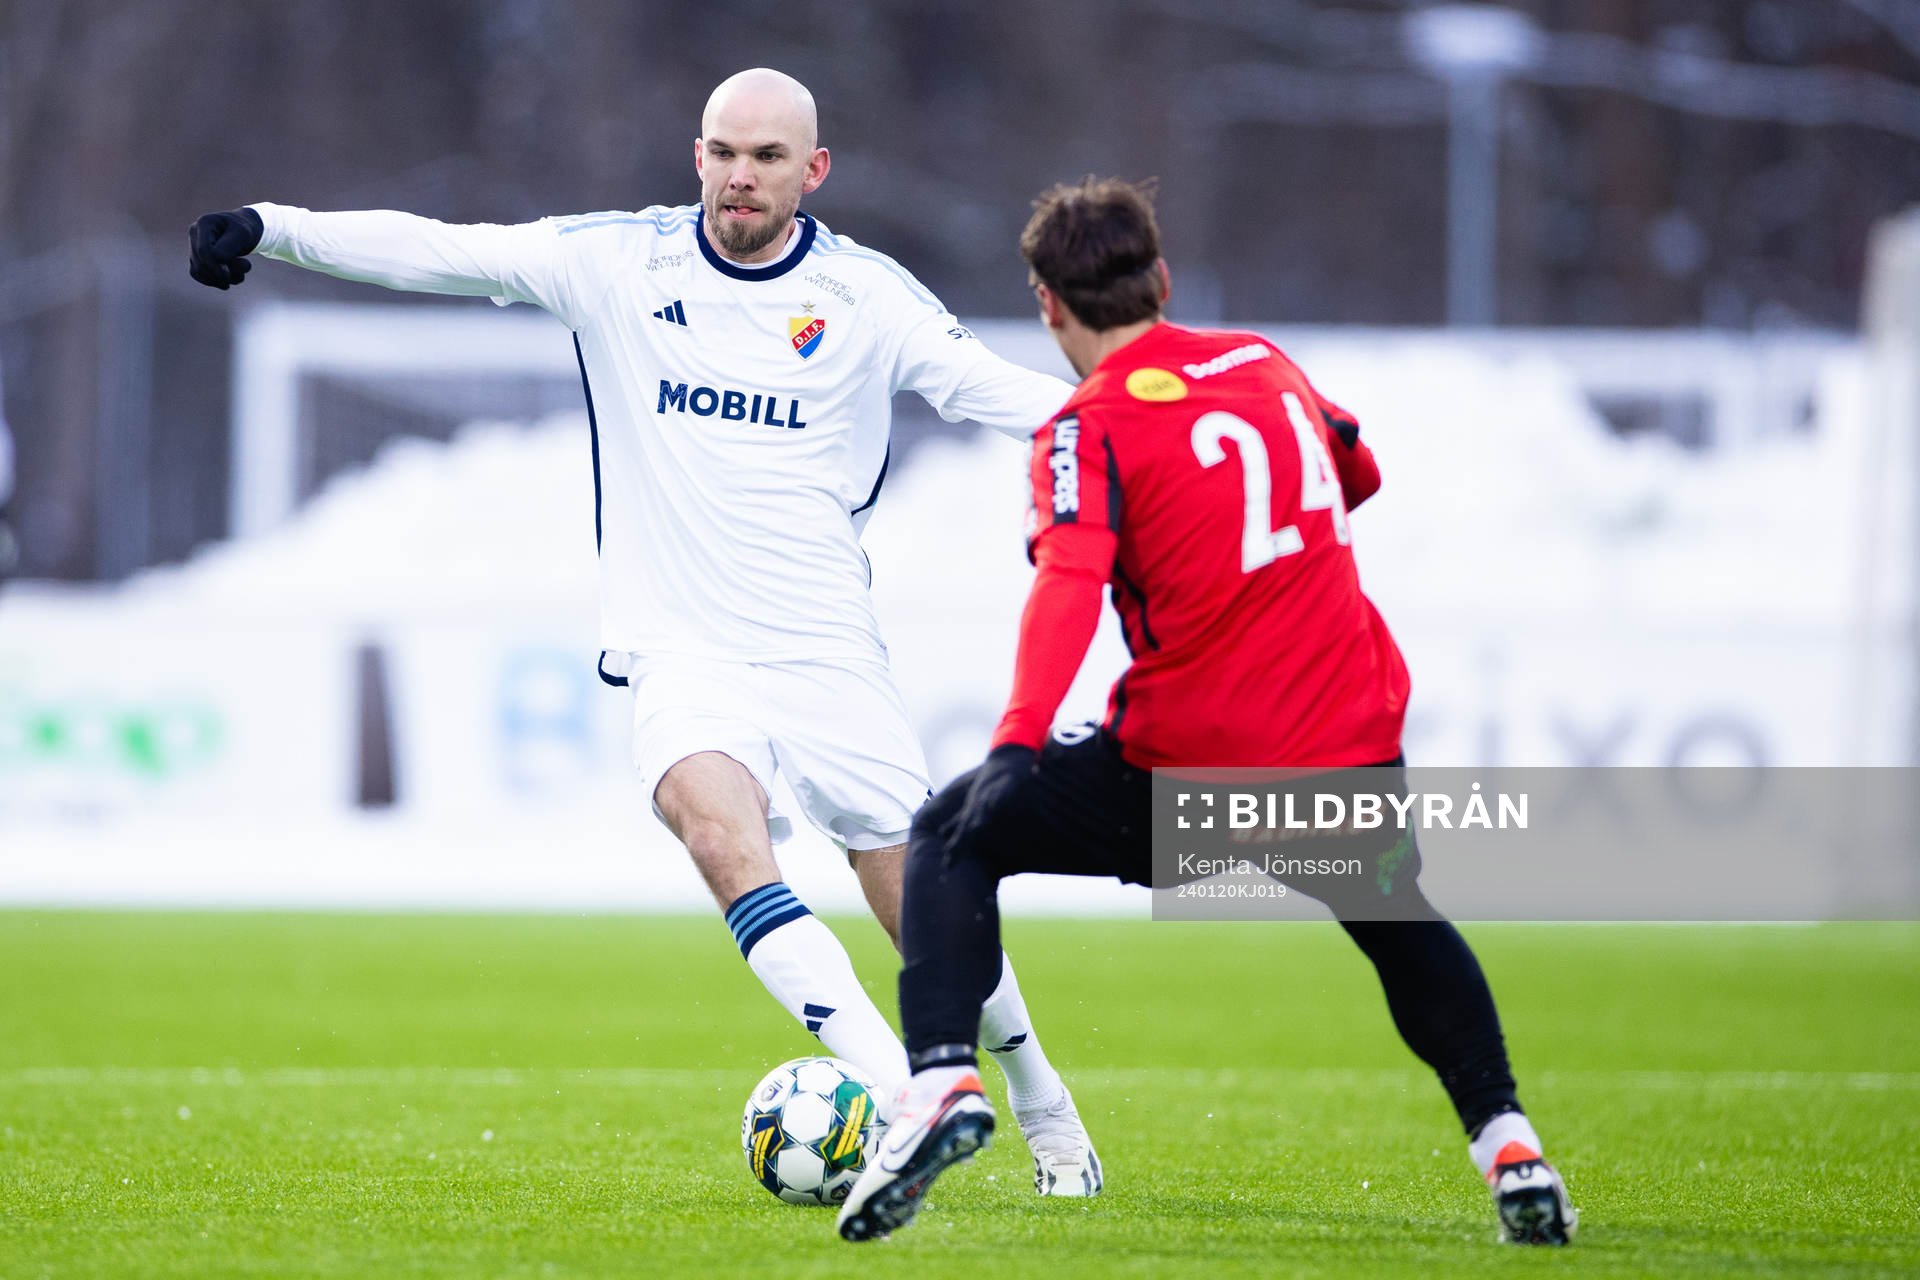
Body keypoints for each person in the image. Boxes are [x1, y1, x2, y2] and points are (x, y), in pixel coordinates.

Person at [186, 68, 1101, 1195]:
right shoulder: (620, 263)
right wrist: (276, 229)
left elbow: (997, 393)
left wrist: (1178, 416)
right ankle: (905, 1093)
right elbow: (441, 248)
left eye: (767, 156)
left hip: (823, 643)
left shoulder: (867, 297)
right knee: (720, 837)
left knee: (916, 894)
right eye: (722, 151)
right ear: (698, 155)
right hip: (680, 642)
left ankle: (1043, 1101)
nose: (739, 175)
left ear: (813, 171)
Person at [837, 177, 1575, 1243]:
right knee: (1399, 921)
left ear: (1048, 304)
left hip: (1194, 759)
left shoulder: (1082, 428)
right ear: (1163, 278)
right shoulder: (1267, 366)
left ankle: (944, 1079)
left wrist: (1018, 737)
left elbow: (1071, 582)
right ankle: (1509, 1144)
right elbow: (1356, 467)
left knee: (951, 833)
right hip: (1345, 735)